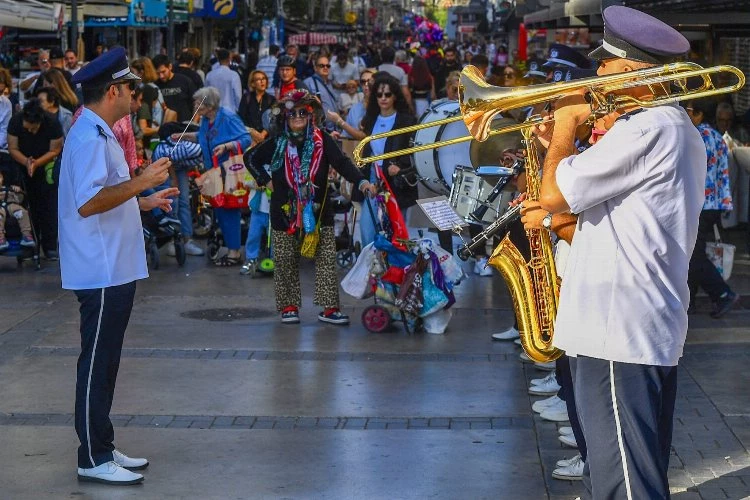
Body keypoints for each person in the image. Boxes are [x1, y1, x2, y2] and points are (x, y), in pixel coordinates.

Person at [537, 6, 706, 498]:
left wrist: (567, 123)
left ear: (633, 71)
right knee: (617, 474)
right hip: (627, 326)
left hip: (619, 331)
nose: (598, 79)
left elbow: (554, 196)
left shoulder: (647, 128)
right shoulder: (665, 128)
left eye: (605, 67)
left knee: (625, 486)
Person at [58, 46, 177, 486]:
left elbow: (107, 194)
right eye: (130, 87)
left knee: (107, 362)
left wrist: (145, 198)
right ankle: (91, 455)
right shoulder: (89, 136)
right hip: (100, 268)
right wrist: (141, 180)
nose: (134, 95)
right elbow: (88, 203)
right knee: (97, 361)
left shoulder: (100, 131)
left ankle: (102, 445)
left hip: (115, 265)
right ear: (113, 91)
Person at [245, 89, 375, 324]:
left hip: (317, 209)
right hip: (285, 211)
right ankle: (289, 307)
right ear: (285, 117)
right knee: (285, 260)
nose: (297, 117)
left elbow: (342, 163)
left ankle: (329, 309)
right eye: (292, 113)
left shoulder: (321, 139)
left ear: (310, 116)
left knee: (326, 259)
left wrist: (362, 181)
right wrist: (266, 181)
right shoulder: (277, 142)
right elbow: (251, 158)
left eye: (302, 113)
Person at [176, 87, 251, 266]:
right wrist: (185, 136)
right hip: (214, 172)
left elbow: (246, 138)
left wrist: (227, 146)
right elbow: (204, 137)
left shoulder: (228, 117)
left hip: (228, 171)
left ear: (209, 105)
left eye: (198, 102)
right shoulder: (205, 120)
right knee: (220, 210)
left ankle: (234, 252)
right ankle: (230, 248)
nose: (194, 105)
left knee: (229, 211)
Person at [684, 98, 739, 318]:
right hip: (713, 204)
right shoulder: (716, 137)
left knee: (692, 256)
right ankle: (690, 302)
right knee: (694, 252)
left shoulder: (696, 137)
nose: (684, 114)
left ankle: (723, 294)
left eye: (687, 110)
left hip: (699, 204)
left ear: (698, 113)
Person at [357, 73, 418, 248]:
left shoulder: (406, 121)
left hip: (396, 182)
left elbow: (412, 151)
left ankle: (395, 271)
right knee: (367, 229)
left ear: (395, 96)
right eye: (379, 94)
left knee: (396, 231)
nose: (383, 98)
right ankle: (372, 268)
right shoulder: (370, 120)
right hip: (373, 178)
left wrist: (400, 165)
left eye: (388, 94)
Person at [7, 99, 63, 259]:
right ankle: (29, 245)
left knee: (48, 207)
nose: (31, 131)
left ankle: (50, 246)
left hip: (45, 166)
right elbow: (12, 147)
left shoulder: (52, 123)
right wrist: (26, 162)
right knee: (25, 205)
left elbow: (55, 149)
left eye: (34, 128)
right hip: (21, 165)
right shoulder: (16, 122)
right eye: (28, 128)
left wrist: (37, 163)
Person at [152, 54, 197, 122]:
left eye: (163, 72)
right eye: (158, 73)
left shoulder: (185, 81)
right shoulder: (155, 85)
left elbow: (197, 103)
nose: (161, 76)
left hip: (184, 125)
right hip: (165, 126)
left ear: (170, 66)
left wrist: (194, 122)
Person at [238, 70, 275, 147]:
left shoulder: (272, 99)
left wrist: (262, 135)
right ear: (253, 83)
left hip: (266, 140)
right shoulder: (246, 98)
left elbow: (273, 120)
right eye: (258, 79)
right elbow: (241, 118)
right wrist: (252, 132)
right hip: (249, 139)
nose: (262, 81)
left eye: (264, 78)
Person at [0, 169, 35, 249]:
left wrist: (18, 191)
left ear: (2, 178)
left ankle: (27, 235)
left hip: (12, 205)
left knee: (23, 212)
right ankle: (1, 238)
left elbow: (20, 200)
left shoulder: (9, 189)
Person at [303, 54, 339, 132]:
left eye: (328, 66)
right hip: (319, 129)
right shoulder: (308, 82)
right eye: (322, 65)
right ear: (315, 68)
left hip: (334, 130)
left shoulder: (329, 84)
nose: (325, 68)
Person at [206, 48, 242, 113]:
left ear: (218, 59)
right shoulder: (234, 75)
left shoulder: (209, 75)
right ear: (229, 59)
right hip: (229, 111)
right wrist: (238, 109)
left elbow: (206, 94)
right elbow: (238, 96)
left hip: (213, 111)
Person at [376, 47, 412, 112]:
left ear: (381, 57)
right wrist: (409, 107)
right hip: (396, 106)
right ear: (394, 58)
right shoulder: (400, 71)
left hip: (379, 106)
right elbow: (406, 93)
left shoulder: (376, 70)